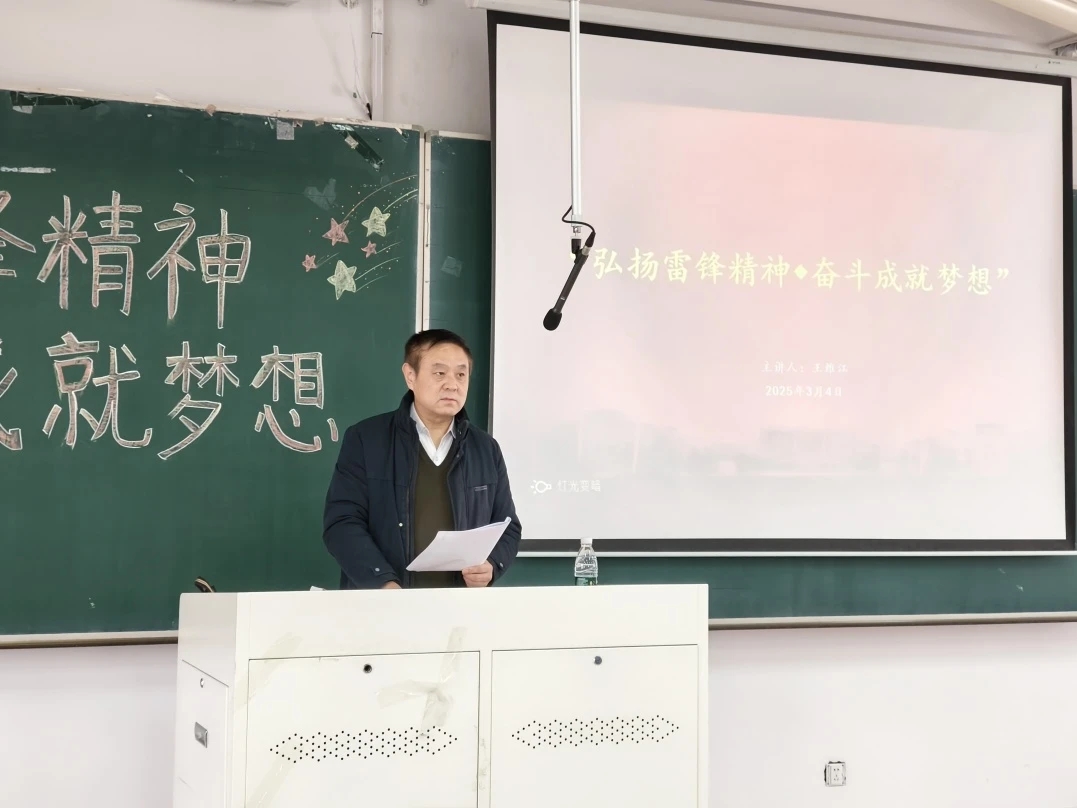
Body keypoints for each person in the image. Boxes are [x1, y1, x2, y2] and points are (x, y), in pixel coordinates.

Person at [323, 329, 522, 589]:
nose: (452, 384)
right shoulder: (365, 439)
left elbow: (508, 526)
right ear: (410, 376)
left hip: (460, 604)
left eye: (461, 375)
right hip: (383, 601)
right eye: (439, 373)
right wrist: (382, 582)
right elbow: (342, 523)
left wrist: (492, 565)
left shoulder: (486, 448)